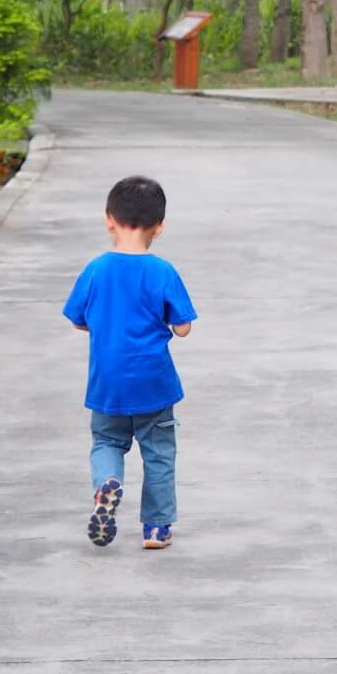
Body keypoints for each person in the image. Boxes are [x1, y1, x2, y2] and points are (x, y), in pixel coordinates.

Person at [63, 174, 197, 550]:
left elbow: (77, 319)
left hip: (108, 382)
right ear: (159, 227)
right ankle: (156, 528)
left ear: (108, 219)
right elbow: (183, 328)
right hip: (154, 383)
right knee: (158, 455)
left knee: (106, 440)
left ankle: (108, 483)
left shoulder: (96, 270)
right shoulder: (162, 272)